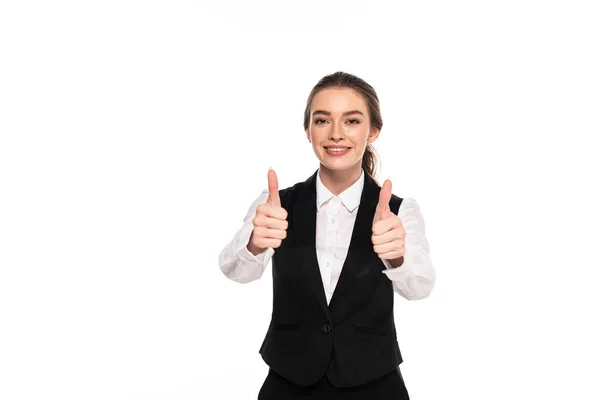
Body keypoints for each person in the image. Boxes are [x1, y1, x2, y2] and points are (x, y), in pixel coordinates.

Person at [218, 71, 436, 399]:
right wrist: (254, 243)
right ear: (308, 130)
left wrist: (397, 255)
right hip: (288, 381)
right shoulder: (276, 204)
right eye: (322, 120)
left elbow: (420, 287)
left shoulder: (399, 211)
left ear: (373, 131)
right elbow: (235, 270)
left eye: (351, 121)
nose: (336, 134)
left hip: (374, 382)